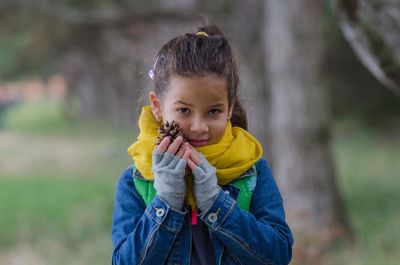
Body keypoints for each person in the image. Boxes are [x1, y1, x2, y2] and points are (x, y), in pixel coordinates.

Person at [111, 24, 293, 265]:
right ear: (157, 106)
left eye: (214, 111)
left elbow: (278, 255)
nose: (199, 126)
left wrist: (215, 203)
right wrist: (165, 199)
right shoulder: (136, 180)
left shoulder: (252, 171)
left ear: (229, 108)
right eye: (184, 110)